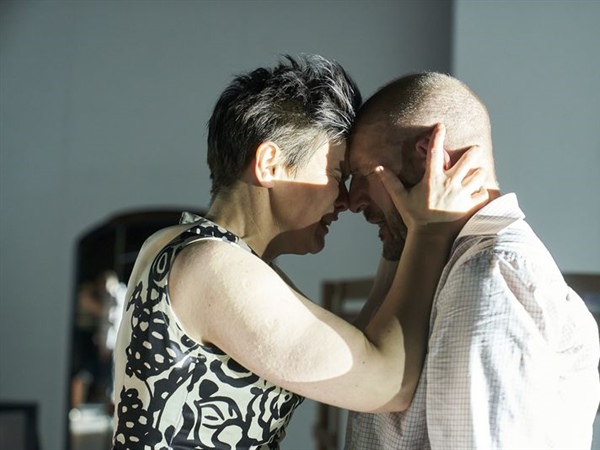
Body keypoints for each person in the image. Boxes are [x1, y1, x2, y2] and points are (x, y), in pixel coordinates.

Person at [111, 56, 487, 450]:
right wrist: (428, 229)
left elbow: (360, 349)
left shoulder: (179, 244)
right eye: (337, 175)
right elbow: (386, 383)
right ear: (270, 163)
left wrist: (398, 237)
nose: (345, 200)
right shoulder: (214, 268)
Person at [345, 72, 600, 449]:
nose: (353, 201)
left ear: (432, 154)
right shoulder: (445, 264)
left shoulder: (488, 272)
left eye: (364, 174)